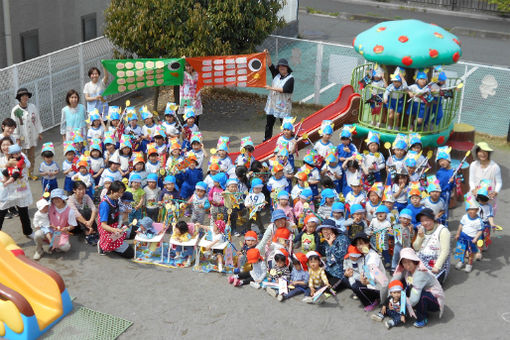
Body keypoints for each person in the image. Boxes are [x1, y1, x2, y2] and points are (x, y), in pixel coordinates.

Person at [392, 247, 445, 328]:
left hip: (434, 300)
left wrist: (401, 306)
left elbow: (414, 299)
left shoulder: (420, 273)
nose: (407, 264)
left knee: (421, 296)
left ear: (414, 261)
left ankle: (422, 318)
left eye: (409, 261)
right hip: (420, 291)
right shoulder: (406, 270)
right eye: (404, 262)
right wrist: (391, 298)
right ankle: (413, 308)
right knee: (401, 283)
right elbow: (395, 280)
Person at [0, 137, 33, 236]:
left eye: (8, 144)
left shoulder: (20, 154)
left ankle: (28, 232)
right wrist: (7, 165)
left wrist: (16, 164)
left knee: (23, 212)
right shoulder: (1, 160)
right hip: (7, 191)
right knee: (1, 212)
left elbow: (28, 165)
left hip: (20, 189)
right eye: (3, 145)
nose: (6, 147)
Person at [351, 232, 388, 311]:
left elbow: (373, 275)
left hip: (379, 287)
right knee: (354, 281)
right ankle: (369, 295)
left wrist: (365, 281)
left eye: (361, 243)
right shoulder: (366, 254)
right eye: (357, 245)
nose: (359, 247)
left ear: (367, 243)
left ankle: (372, 301)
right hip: (374, 283)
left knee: (356, 287)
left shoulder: (372, 257)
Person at [11, 87, 43, 180]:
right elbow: (14, 125)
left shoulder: (32, 107)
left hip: (32, 135)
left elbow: (37, 120)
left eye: (26, 96)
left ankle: (31, 173)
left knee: (32, 156)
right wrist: (17, 138)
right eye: (23, 96)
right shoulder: (16, 110)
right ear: (19, 98)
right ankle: (22, 173)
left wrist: (39, 132)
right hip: (22, 137)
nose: (25, 97)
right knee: (21, 157)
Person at [413, 208, 451, 284]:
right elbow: (416, 247)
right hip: (422, 260)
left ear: (433, 219)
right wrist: (420, 237)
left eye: (427, 220)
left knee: (428, 286)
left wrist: (437, 266)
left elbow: (445, 251)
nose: (425, 223)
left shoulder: (443, 230)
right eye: (422, 221)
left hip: (436, 262)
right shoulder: (422, 228)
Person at [97, 180, 134, 258]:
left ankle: (118, 241)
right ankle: (103, 243)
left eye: (122, 192)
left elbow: (119, 215)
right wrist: (115, 230)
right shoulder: (105, 204)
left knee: (135, 231)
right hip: (109, 230)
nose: (121, 195)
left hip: (117, 225)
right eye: (119, 192)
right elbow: (103, 225)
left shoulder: (115, 200)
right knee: (131, 253)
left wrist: (125, 215)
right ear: (112, 191)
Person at [263, 50, 294, 141]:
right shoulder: (276, 74)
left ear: (287, 68)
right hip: (272, 103)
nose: (282, 68)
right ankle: (267, 139)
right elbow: (270, 65)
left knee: (285, 124)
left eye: (284, 67)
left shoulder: (291, 79)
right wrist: (267, 54)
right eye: (280, 66)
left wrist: (271, 88)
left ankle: (288, 139)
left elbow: (285, 89)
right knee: (269, 123)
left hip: (283, 106)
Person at [317, 219, 350, 293]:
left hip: (339, 274)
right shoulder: (326, 240)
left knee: (329, 290)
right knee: (315, 282)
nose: (325, 231)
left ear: (333, 230)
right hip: (329, 270)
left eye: (327, 229)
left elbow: (341, 257)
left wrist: (331, 245)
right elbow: (324, 254)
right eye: (323, 229)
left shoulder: (342, 239)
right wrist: (319, 241)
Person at [468, 142, 502, 214]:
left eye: (485, 151)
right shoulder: (473, 165)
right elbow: (471, 180)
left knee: (487, 217)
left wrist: (495, 192)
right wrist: (473, 189)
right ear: (477, 153)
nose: (483, 154)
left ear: (488, 153)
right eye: (480, 151)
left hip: (488, 196)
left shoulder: (495, 167)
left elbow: (499, 182)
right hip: (475, 195)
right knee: (474, 216)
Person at [454, 195, 483, 273]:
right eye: (469, 209)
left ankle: (469, 264)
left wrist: (476, 238)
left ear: (477, 210)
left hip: (471, 239)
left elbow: (480, 230)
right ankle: (461, 261)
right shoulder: (465, 217)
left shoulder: (478, 220)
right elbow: (461, 225)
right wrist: (457, 234)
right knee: (461, 250)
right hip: (463, 236)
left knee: (471, 253)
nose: (471, 211)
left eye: (473, 209)